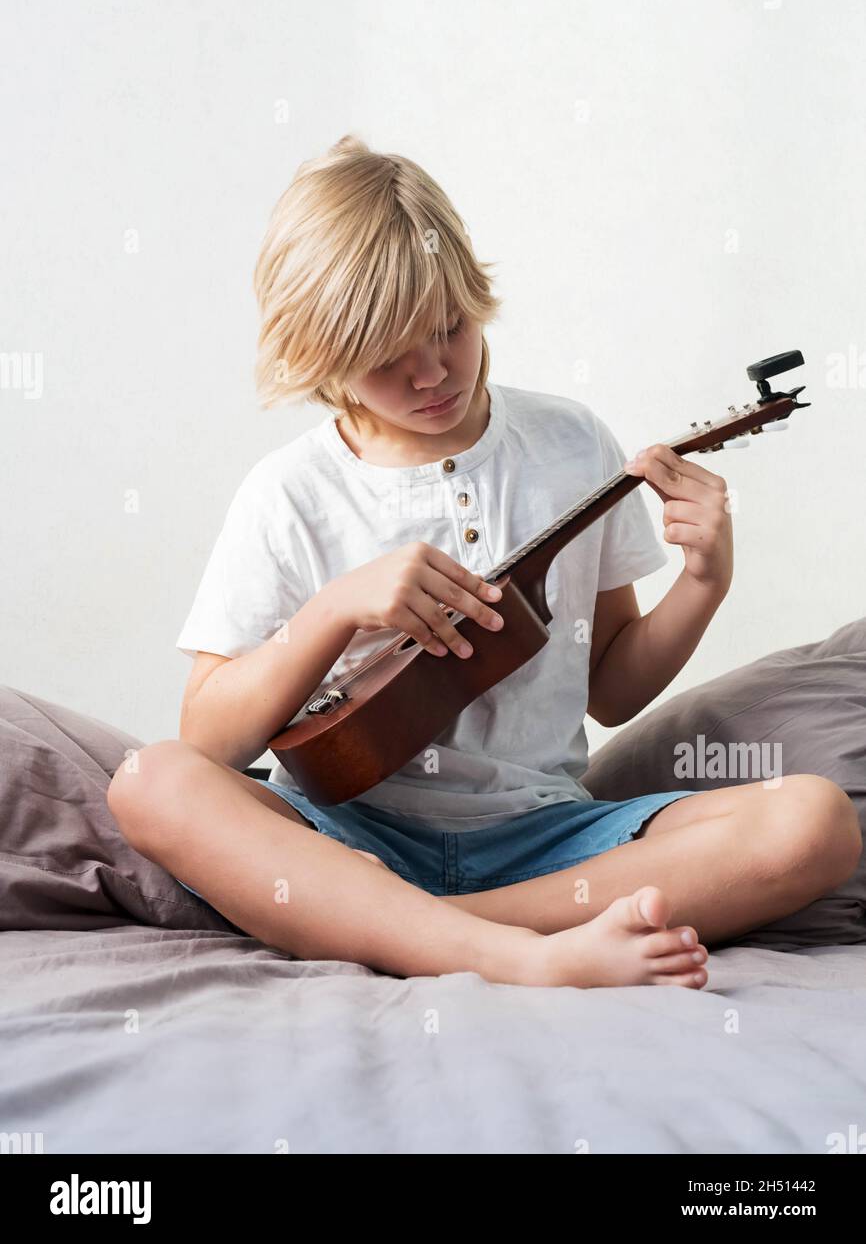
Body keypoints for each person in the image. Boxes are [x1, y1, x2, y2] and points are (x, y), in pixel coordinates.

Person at [108, 136, 861, 989]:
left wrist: (704, 582)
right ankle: (515, 955)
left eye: (449, 330)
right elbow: (208, 739)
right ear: (321, 358)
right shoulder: (290, 494)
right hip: (345, 836)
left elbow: (612, 690)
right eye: (387, 359)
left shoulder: (571, 444)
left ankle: (400, 930)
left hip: (546, 845)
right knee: (149, 780)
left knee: (814, 821)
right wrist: (334, 611)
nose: (432, 373)